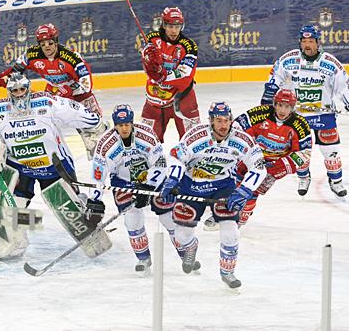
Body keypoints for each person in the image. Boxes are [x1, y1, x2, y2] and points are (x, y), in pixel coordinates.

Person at [0, 73, 107, 259]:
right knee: (5, 208)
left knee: (69, 210)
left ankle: (89, 226)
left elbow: (74, 110)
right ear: (9, 92)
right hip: (20, 167)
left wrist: (96, 124)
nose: (19, 94)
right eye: (14, 90)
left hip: (54, 165)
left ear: (29, 89)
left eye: (22, 89)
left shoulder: (45, 102)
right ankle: (15, 242)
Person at [159, 102, 267, 288]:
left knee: (231, 231)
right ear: (210, 121)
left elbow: (258, 166)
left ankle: (228, 272)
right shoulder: (196, 136)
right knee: (182, 236)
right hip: (191, 185)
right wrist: (173, 180)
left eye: (226, 120)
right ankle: (191, 247)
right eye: (218, 120)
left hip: (222, 187)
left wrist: (244, 190)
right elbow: (175, 156)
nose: (223, 125)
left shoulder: (242, 139)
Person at [86, 104, 187, 274]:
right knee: (132, 220)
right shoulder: (106, 144)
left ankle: (186, 255)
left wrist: (148, 185)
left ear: (132, 123)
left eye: (127, 124)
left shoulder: (146, 134)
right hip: (123, 182)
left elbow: (160, 163)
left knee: (168, 218)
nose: (124, 128)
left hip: (151, 178)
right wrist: (94, 199)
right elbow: (98, 173)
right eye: (120, 125)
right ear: (115, 125)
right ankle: (143, 258)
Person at [204, 89, 313, 230]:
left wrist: (274, 170)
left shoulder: (300, 125)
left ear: (292, 108)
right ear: (274, 104)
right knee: (231, 178)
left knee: (253, 189)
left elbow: (304, 153)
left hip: (276, 163)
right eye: (280, 105)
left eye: (287, 107)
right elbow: (236, 126)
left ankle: (240, 219)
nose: (282, 110)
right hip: (253, 155)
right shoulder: (260, 113)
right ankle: (223, 211)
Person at [261, 24, 349, 197]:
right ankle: (304, 177)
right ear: (300, 42)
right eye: (304, 41)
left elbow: (344, 87)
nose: (307, 45)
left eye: (311, 41)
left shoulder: (331, 63)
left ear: (317, 42)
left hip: (324, 115)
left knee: (330, 151)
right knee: (300, 152)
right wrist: (269, 92)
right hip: (297, 116)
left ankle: (336, 181)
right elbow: (275, 77)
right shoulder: (288, 59)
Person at [0, 23, 105, 159]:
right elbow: (15, 71)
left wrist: (69, 90)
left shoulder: (71, 57)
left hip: (79, 94)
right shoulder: (31, 55)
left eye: (50, 42)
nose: (47, 46)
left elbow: (86, 85)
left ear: (56, 41)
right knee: (45, 125)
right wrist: (5, 77)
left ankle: (102, 147)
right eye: (43, 43)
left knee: (93, 133)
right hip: (53, 92)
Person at [139, 7, 200, 143]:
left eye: (177, 26)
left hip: (183, 96)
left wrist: (163, 75)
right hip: (157, 96)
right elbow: (146, 66)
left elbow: (185, 74)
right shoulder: (151, 39)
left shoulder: (189, 46)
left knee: (193, 140)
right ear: (164, 25)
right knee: (146, 142)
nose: (174, 30)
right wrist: (147, 58)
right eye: (170, 26)